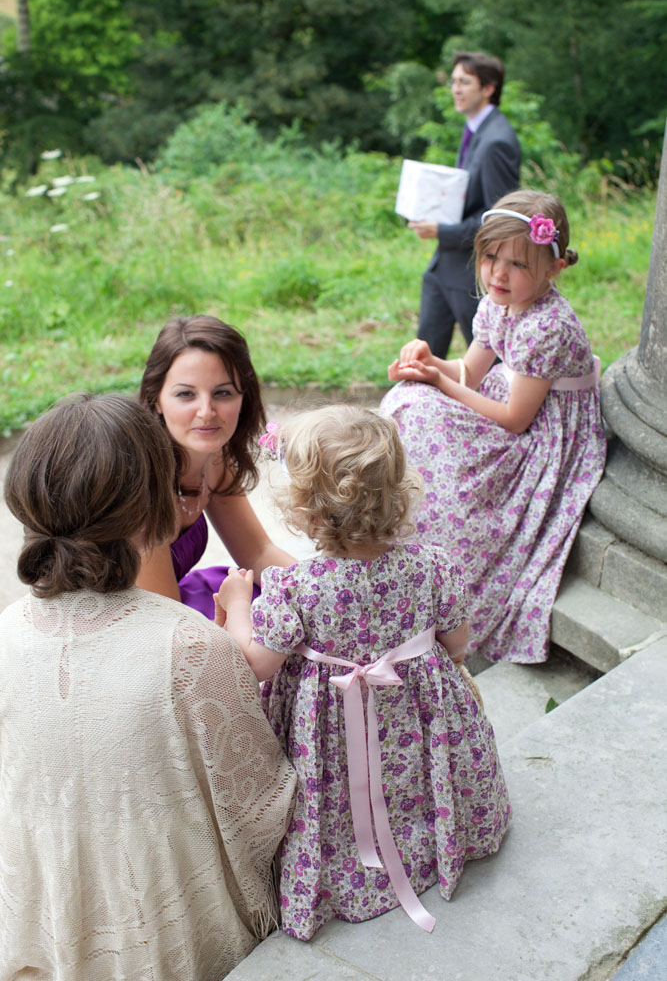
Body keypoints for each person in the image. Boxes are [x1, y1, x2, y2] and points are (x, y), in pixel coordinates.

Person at [0, 393, 296, 980]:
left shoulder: (6, 632)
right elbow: (262, 805)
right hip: (169, 934)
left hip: (43, 919)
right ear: (151, 504)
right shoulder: (188, 647)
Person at [216, 406, 511, 940]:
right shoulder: (433, 565)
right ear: (397, 490)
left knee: (337, 792)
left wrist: (238, 604)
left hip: (328, 732)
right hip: (417, 715)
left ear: (302, 508)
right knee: (409, 780)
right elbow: (460, 645)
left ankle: (348, 872)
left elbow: (256, 664)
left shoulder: (294, 588)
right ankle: (429, 843)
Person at [382, 189, 607, 664]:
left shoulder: (547, 325)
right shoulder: (499, 304)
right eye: (490, 258)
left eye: (519, 264)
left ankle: (446, 573)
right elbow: (470, 372)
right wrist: (429, 362)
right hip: (509, 408)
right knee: (409, 399)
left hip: (543, 438)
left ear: (554, 267)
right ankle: (404, 548)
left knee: (423, 410)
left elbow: (515, 419)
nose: (499, 274)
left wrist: (437, 382)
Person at [137, 314, 295, 619]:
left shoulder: (216, 459)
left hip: (171, 608)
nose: (206, 412)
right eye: (186, 394)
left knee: (268, 596)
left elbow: (258, 553)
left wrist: (325, 588)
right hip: (133, 632)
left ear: (243, 398)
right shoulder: (144, 487)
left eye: (222, 393)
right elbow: (167, 629)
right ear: (156, 399)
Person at [410, 51, 521, 358]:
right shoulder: (474, 128)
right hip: (444, 266)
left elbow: (499, 219)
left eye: (465, 82)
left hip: (469, 271)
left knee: (490, 363)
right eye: (455, 81)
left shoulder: (497, 140)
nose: (456, 89)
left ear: (488, 88)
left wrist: (441, 230)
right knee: (423, 357)